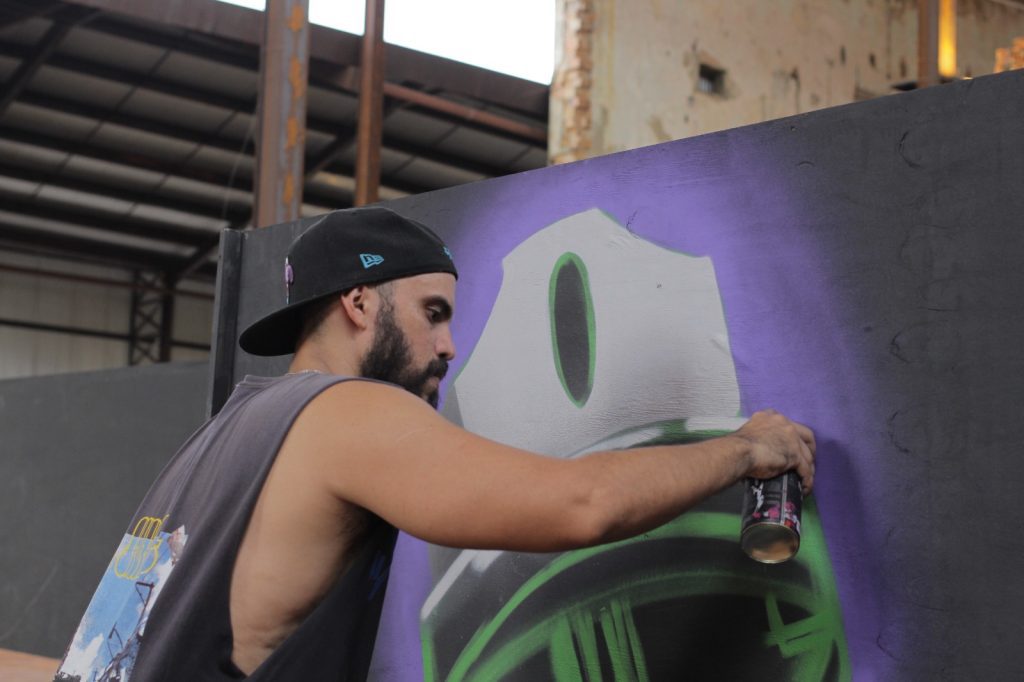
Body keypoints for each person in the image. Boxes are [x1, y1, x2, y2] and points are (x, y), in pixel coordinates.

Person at [54, 207, 816, 682]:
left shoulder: (225, 433)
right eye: (433, 312)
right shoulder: (346, 412)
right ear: (360, 302)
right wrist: (744, 450)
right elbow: (583, 505)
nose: (449, 345)